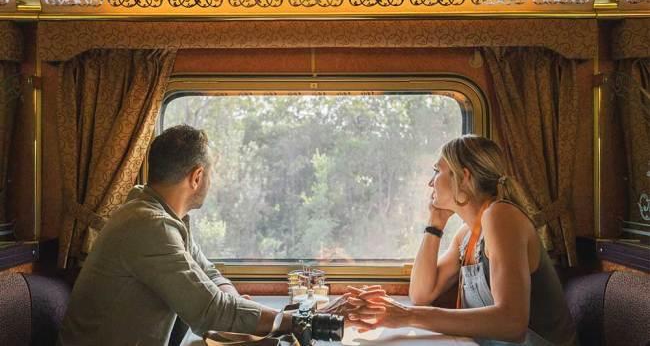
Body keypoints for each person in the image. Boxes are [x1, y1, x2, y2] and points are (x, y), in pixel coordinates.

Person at [58, 125, 295, 345]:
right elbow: (210, 309)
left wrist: (235, 304)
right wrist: (293, 321)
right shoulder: (149, 225)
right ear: (197, 177)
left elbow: (209, 273)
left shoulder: (157, 214)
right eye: (211, 175)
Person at [345, 135, 577, 346]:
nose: (430, 182)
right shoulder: (466, 235)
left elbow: (511, 323)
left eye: (437, 171)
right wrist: (435, 226)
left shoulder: (501, 216)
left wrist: (406, 316)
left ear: (463, 177)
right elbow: (421, 294)